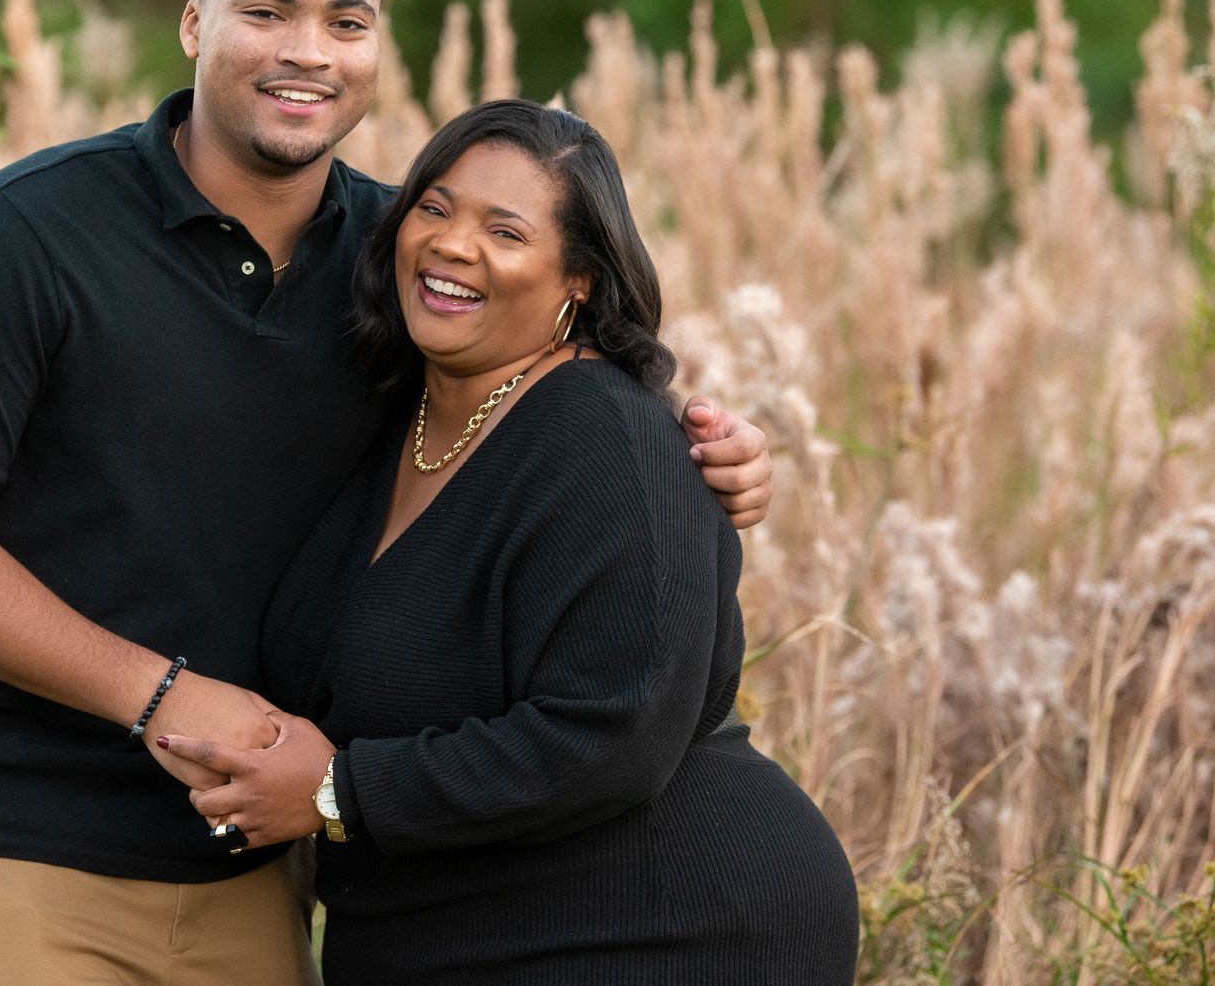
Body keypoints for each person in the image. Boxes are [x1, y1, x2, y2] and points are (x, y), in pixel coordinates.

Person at [0, 0, 778, 984]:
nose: (307, 53)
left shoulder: (402, 264)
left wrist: (703, 461)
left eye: (347, 21)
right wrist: (166, 697)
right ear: (193, 25)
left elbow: (529, 424)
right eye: (265, 11)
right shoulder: (24, 236)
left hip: (246, 862)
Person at [164, 100, 859, 984]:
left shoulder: (610, 438)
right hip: (446, 929)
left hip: (662, 923)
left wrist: (340, 791)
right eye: (436, 207)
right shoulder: (388, 419)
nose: (455, 244)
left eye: (506, 230)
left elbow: (617, 730)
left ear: (581, 281)